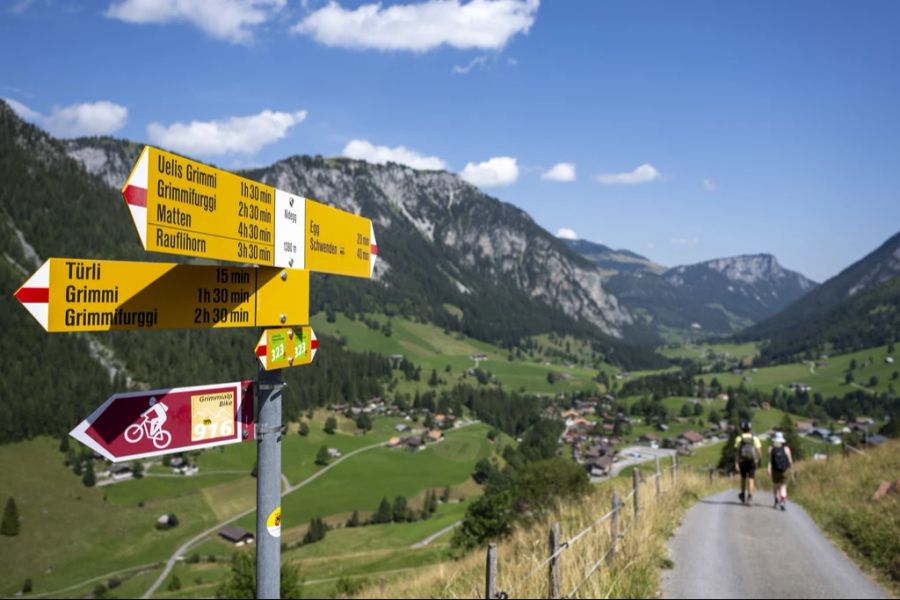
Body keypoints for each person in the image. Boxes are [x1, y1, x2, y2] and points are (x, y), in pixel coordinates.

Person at [734, 420, 761, 504]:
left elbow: (737, 452)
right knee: (751, 478)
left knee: (743, 478)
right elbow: (759, 450)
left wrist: (736, 463)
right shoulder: (755, 438)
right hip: (752, 460)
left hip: (743, 461)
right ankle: (750, 495)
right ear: (750, 428)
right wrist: (758, 458)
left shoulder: (739, 438)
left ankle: (742, 494)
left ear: (742, 429)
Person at [768, 431, 793, 511]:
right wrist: (791, 470)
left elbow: (770, 461)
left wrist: (769, 468)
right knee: (783, 486)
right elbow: (790, 461)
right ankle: (782, 501)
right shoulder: (786, 449)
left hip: (775, 470)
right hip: (784, 470)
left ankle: (776, 499)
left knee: (776, 485)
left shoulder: (771, 449)